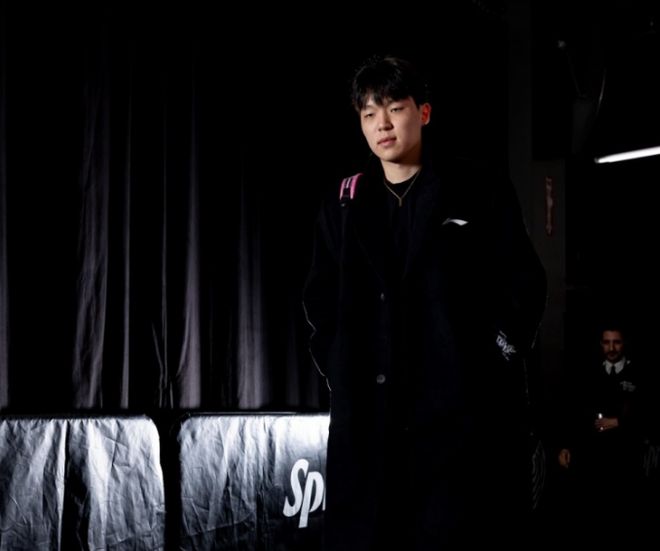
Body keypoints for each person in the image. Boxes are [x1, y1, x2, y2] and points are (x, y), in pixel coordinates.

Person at [303, 55, 547, 550]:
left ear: (424, 112)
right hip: (371, 418)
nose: (383, 124)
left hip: (458, 418)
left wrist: (494, 354)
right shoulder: (344, 204)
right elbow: (320, 296)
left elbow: (523, 281)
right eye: (369, 113)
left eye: (395, 108)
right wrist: (338, 363)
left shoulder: (477, 188)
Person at [556, 324, 646, 545]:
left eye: (616, 342)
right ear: (600, 344)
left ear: (624, 344)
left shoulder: (638, 374)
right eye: (607, 342)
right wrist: (566, 445)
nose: (611, 348)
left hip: (625, 460)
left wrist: (619, 422)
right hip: (594, 460)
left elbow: (650, 414)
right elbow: (575, 413)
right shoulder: (590, 373)